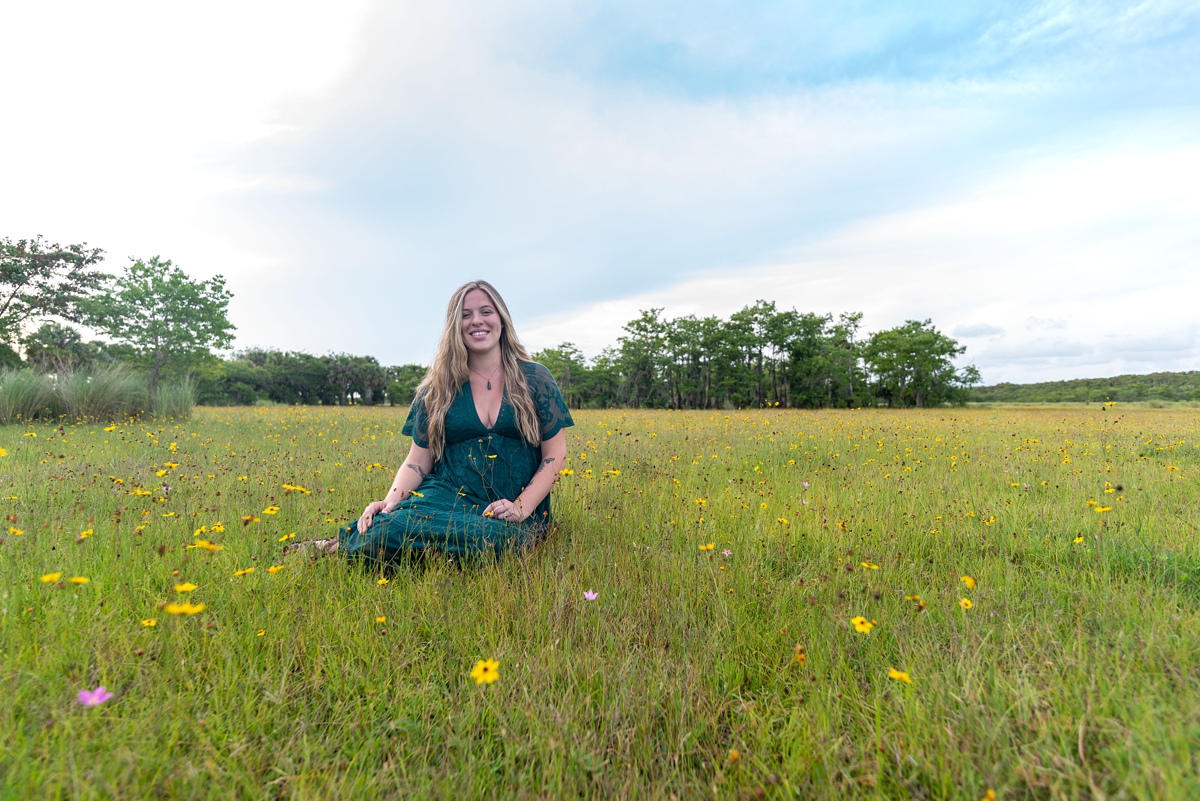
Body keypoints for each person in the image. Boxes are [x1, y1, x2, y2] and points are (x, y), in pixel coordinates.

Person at [287, 280, 573, 561]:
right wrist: (389, 502)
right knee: (394, 526)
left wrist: (522, 507)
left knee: (497, 542)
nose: (477, 321)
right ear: (454, 326)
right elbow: (417, 461)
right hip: (446, 496)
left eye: (486, 312)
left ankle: (404, 547)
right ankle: (334, 547)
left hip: (508, 507)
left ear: (501, 318)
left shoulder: (535, 378)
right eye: (465, 315)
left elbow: (555, 454)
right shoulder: (437, 388)